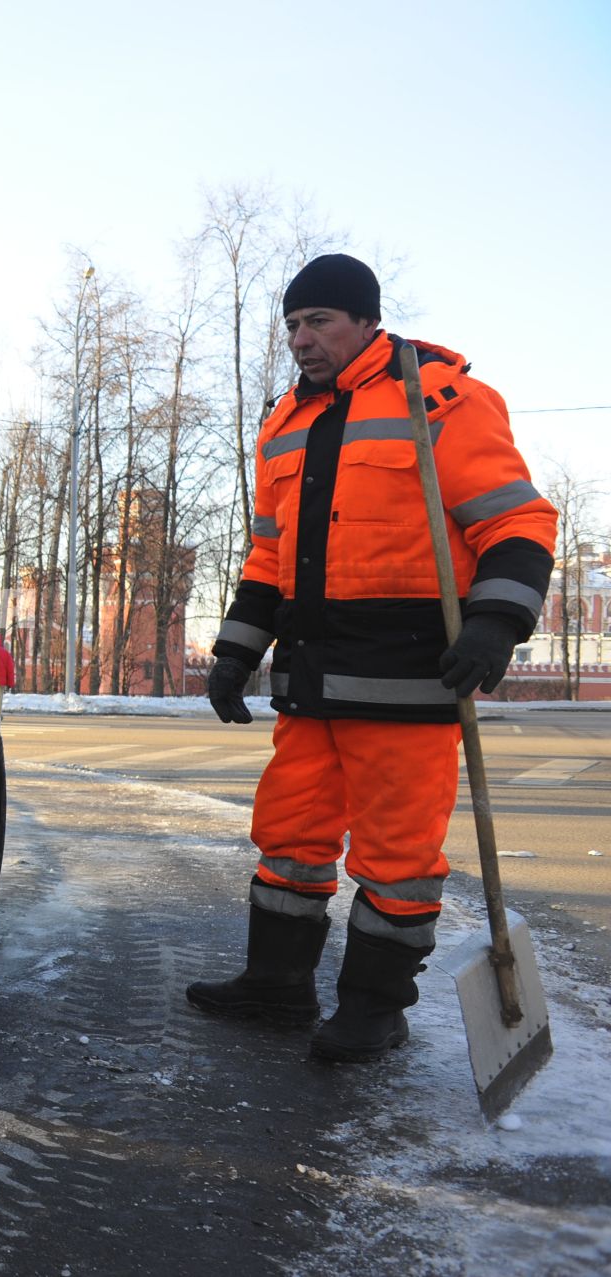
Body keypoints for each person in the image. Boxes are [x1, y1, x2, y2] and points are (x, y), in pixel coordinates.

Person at [187, 254, 556, 1062]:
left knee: (395, 859)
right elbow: (267, 555)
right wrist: (235, 650)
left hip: (412, 679)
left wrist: (496, 620)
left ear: (365, 319)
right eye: (291, 324)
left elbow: (517, 521)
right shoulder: (285, 421)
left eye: (318, 320)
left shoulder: (441, 398)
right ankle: (277, 987)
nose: (301, 339)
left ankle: (373, 1012)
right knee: (288, 836)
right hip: (312, 679)